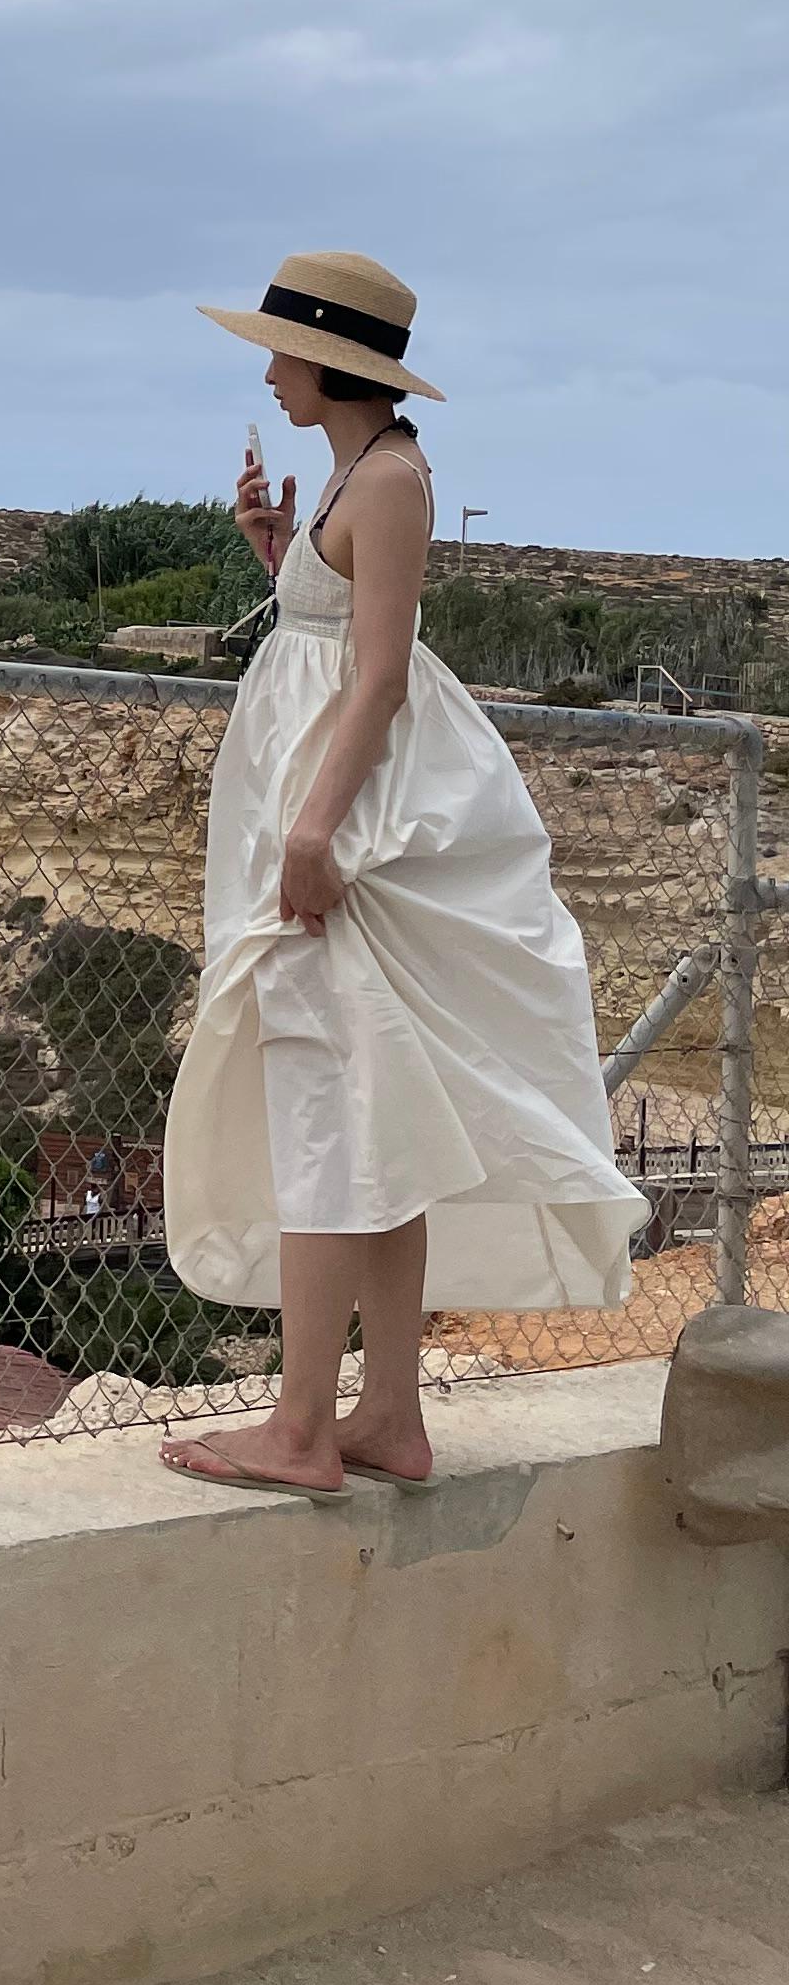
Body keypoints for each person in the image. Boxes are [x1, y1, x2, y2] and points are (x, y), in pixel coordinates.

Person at [160, 251, 645, 1495]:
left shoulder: (387, 480)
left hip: (345, 824)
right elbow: (331, 635)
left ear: (332, 357)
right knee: (371, 1120)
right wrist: (280, 551)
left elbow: (378, 677)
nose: (269, 373)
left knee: (326, 1113)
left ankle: (301, 1429)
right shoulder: (362, 472)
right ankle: (387, 1417)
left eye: (281, 351)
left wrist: (313, 833)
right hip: (333, 805)